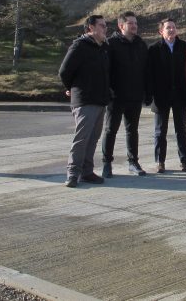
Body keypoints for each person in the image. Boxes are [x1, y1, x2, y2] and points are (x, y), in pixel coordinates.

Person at [58, 15, 110, 188]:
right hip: (85, 100)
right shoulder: (79, 46)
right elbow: (64, 71)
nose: (105, 29)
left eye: (105, 26)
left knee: (93, 139)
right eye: (102, 26)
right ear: (91, 28)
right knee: (82, 138)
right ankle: (72, 173)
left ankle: (87, 172)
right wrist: (71, 87)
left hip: (100, 100)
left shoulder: (102, 48)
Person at [100, 11, 149, 177]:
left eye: (136, 23)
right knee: (110, 130)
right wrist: (108, 90)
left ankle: (133, 162)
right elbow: (104, 70)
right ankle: (107, 163)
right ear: (121, 26)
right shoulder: (110, 43)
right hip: (116, 97)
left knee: (132, 130)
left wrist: (147, 92)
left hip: (135, 96)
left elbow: (146, 71)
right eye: (131, 23)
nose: (134, 26)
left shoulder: (141, 44)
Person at [147, 18, 186, 173]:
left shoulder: (185, 47)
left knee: (181, 130)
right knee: (160, 131)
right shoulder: (154, 49)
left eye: (174, 27)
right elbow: (149, 74)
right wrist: (150, 94)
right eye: (168, 28)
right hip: (161, 96)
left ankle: (185, 161)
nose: (171, 30)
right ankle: (160, 161)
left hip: (180, 95)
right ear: (161, 31)